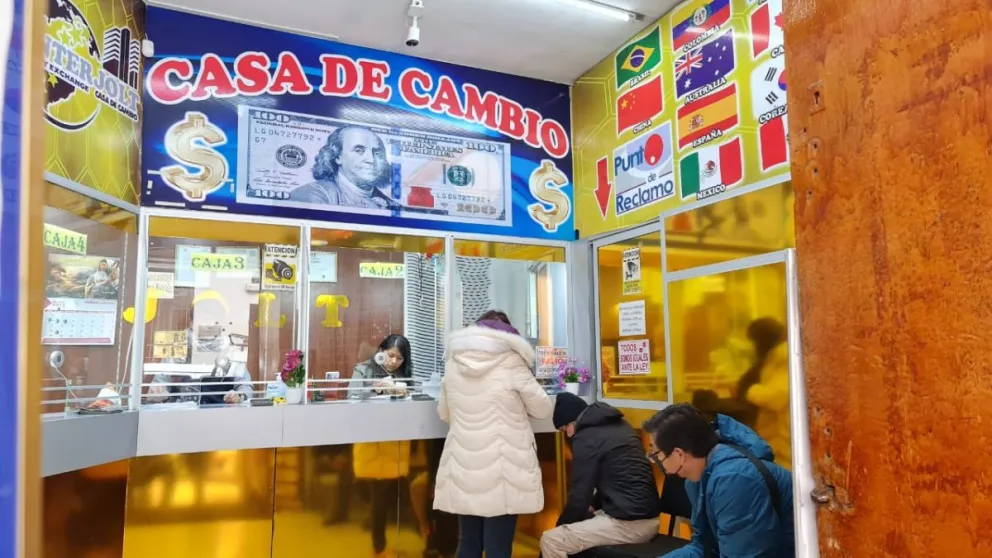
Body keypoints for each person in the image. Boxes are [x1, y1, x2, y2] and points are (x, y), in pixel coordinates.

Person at [433, 310, 552, 558]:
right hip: (503, 468)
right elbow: (542, 408)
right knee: (498, 544)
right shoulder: (512, 361)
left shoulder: (454, 363)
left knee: (468, 541)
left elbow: (444, 413)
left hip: (465, 466)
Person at [642, 404, 795, 558]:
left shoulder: (734, 480)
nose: (655, 459)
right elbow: (703, 547)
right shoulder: (697, 478)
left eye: (656, 453)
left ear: (679, 454)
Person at [539, 393, 661, 558]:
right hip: (648, 519)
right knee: (582, 521)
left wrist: (560, 527)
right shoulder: (622, 426)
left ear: (573, 422)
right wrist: (593, 505)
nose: (567, 435)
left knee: (552, 540)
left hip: (630, 524)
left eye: (564, 429)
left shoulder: (585, 438)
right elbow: (619, 480)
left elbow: (580, 495)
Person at [352, 334, 414, 558]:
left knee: (389, 499)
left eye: (399, 359)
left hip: (395, 444)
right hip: (372, 443)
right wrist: (375, 390)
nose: (393, 362)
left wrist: (403, 391)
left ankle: (385, 544)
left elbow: (412, 401)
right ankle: (378, 547)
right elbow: (352, 396)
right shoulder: (364, 370)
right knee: (378, 498)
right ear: (381, 351)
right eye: (390, 356)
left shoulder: (403, 375)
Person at [289, 126, 396, 209]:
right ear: (337, 157)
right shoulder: (311, 195)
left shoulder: (394, 206)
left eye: (377, 153)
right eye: (359, 151)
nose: (371, 160)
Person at [351, 334, 412, 400]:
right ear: (381, 351)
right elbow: (352, 398)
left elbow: (414, 395)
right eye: (391, 355)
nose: (394, 361)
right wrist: (373, 390)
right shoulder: (363, 370)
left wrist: (405, 393)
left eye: (400, 358)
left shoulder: (403, 371)